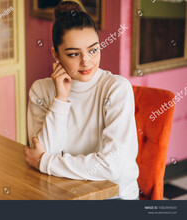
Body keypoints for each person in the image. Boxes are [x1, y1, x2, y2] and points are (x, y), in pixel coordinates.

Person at [24, 1, 139, 200]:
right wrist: (60, 99)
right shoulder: (41, 90)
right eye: (74, 54)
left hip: (114, 198)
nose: (86, 61)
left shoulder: (116, 89)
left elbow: (110, 167)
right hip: (62, 191)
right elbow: (44, 151)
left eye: (93, 50)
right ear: (55, 54)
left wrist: (46, 162)